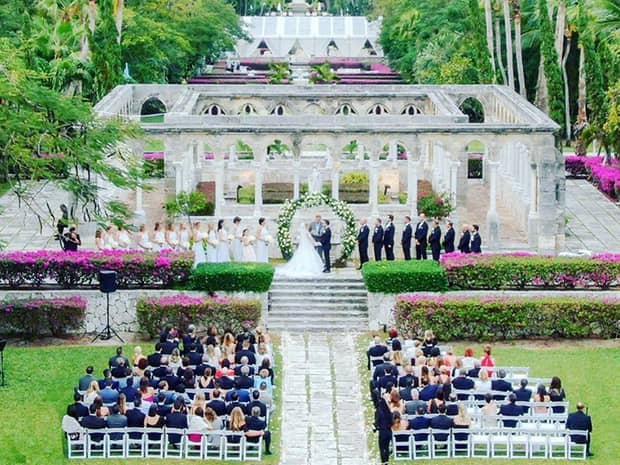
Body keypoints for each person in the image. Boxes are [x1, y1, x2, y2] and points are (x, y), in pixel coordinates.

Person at [374, 394, 393, 465]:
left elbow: (376, 422)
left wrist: (376, 427)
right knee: (387, 447)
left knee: (382, 447)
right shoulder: (388, 412)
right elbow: (392, 422)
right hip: (388, 431)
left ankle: (383, 461)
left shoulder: (378, 412)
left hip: (382, 432)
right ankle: (387, 461)